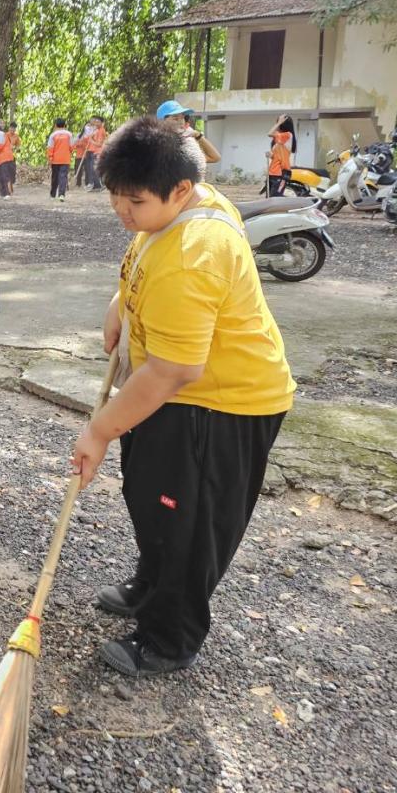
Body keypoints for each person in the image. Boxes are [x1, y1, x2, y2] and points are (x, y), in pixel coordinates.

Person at [71, 115, 294, 677]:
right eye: (115, 196)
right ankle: (152, 581)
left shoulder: (197, 251)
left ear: (180, 189)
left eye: (135, 201)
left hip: (220, 405)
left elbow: (174, 371)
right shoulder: (174, 210)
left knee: (188, 520)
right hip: (172, 396)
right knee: (151, 495)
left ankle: (170, 636)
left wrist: (100, 430)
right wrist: (121, 304)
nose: (123, 211)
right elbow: (143, 258)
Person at [155, 100, 221, 178]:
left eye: (182, 118)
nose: (181, 122)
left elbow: (215, 158)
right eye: (175, 119)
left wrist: (198, 135)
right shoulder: (157, 146)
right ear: (162, 122)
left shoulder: (186, 145)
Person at [266, 114, 295, 197]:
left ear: (283, 123)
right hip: (273, 172)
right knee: (269, 198)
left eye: (279, 121)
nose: (277, 123)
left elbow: (269, 133)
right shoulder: (279, 140)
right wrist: (270, 155)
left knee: (275, 197)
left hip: (282, 173)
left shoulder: (288, 135)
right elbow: (276, 156)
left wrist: (278, 123)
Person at [47, 118, 73, 201]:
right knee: (63, 176)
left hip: (55, 159)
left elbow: (50, 147)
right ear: (65, 125)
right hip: (65, 159)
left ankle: (52, 194)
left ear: (55, 125)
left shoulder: (53, 135)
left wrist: (50, 158)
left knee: (54, 177)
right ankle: (61, 194)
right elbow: (72, 147)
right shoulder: (69, 134)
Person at [83, 116, 107, 191]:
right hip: (95, 152)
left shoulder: (101, 131)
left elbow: (99, 144)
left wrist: (91, 141)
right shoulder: (97, 130)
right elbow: (89, 136)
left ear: (102, 123)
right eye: (95, 122)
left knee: (94, 169)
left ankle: (99, 185)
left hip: (99, 152)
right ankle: (96, 186)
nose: (96, 123)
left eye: (98, 122)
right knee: (92, 169)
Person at [0, 120, 15, 198]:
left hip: (4, 159)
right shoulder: (4, 134)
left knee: (3, 176)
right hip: (6, 158)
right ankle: (4, 193)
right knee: (4, 176)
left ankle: (6, 194)